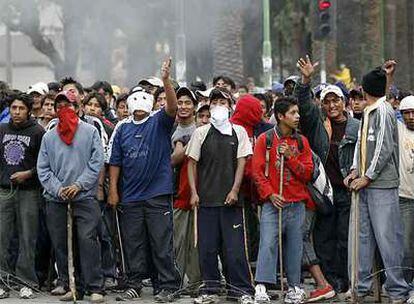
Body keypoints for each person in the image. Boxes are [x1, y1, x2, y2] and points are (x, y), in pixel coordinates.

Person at [108, 59, 181, 302]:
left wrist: (166, 81)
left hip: (157, 194)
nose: (139, 103)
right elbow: (115, 161)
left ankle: (167, 284)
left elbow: (172, 108)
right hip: (130, 196)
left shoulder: (159, 121)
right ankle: (135, 282)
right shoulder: (121, 128)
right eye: (135, 98)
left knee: (161, 242)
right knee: (133, 243)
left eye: (144, 98)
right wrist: (114, 192)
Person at [344, 62, 413, 303]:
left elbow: (383, 148)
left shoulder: (383, 111)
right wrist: (355, 170)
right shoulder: (369, 111)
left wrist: (367, 176)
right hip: (363, 185)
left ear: (364, 89)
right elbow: (360, 147)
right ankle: (360, 287)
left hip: (381, 185)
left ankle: (397, 290)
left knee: (388, 239)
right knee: (362, 239)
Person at [295, 56, 359, 295]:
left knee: (344, 238)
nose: (332, 106)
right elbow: (304, 106)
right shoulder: (317, 124)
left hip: (346, 191)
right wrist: (306, 80)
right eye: (327, 102)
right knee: (323, 239)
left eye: (336, 101)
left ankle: (345, 278)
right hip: (323, 192)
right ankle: (330, 279)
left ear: (344, 102)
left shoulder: (356, 127)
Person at [186, 88, 255, 304]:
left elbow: (242, 162)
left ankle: (241, 290)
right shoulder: (201, 132)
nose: (218, 105)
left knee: (235, 250)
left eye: (223, 102)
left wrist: (234, 190)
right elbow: (191, 163)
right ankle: (211, 289)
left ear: (230, 106)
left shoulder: (239, 132)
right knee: (207, 248)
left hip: (231, 203)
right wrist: (194, 192)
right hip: (206, 201)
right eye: (215, 101)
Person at [37, 90, 105, 303]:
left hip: (84, 197)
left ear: (77, 107)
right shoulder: (49, 136)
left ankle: (95, 286)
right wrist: (58, 188)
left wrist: (79, 184)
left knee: (87, 240)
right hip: (56, 199)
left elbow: (96, 162)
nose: (63, 110)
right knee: (61, 243)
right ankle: (70, 285)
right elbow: (43, 168)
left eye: (68, 105)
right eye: (59, 106)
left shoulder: (90, 131)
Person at [252, 97, 312, 304]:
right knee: (267, 243)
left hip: (297, 204)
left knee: (295, 247)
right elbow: (257, 172)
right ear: (280, 116)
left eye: (298, 113)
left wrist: (291, 157)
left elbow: (307, 173)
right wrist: (270, 193)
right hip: (273, 203)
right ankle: (262, 286)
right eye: (293, 113)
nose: (297, 116)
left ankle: (294, 286)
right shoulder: (265, 139)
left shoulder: (301, 141)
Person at [0, 92, 45, 300]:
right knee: (3, 237)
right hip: (4, 191)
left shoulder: (37, 132)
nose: (16, 112)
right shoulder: (2, 129)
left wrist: (28, 173)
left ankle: (26, 282)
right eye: (13, 108)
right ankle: (3, 280)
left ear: (28, 111)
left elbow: (45, 164)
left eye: (21, 109)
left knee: (28, 237)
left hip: (29, 192)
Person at [171, 87, 201, 296]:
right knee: (177, 240)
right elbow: (173, 159)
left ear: (195, 107)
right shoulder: (168, 128)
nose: (183, 107)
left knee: (196, 241)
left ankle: (196, 283)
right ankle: (177, 281)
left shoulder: (201, 129)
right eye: (180, 102)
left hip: (198, 192)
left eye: (187, 103)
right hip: (175, 192)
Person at [397, 96, 414, 283]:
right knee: (406, 246)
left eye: (413, 112)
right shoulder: (399, 131)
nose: (410, 117)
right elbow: (382, 105)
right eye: (406, 113)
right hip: (405, 198)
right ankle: (407, 284)